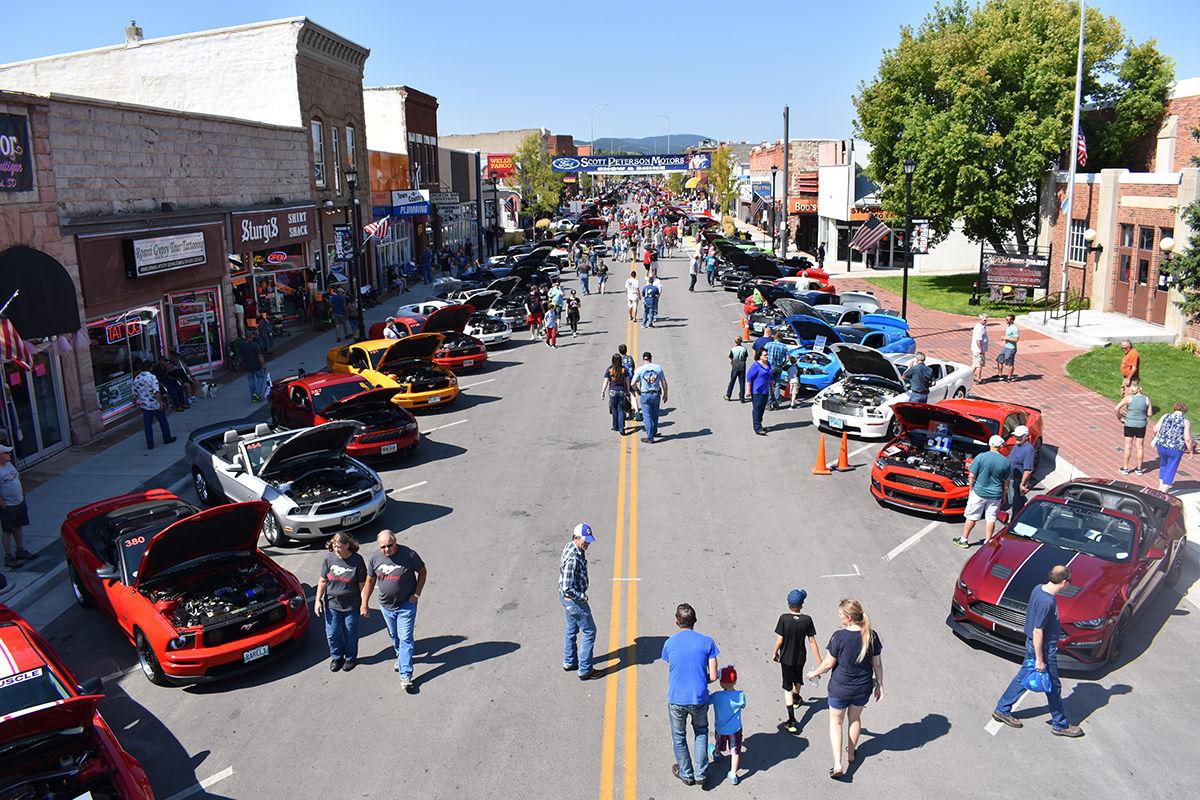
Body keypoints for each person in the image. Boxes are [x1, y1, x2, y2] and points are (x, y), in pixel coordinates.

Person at [991, 566, 1083, 737]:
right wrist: (1040, 659)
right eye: (1070, 581)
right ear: (1064, 582)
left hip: (1035, 646)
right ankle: (1060, 724)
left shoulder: (1039, 588)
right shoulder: (1047, 602)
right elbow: (1038, 631)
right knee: (1053, 686)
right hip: (1043, 649)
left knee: (1024, 678)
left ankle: (1002, 709)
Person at [806, 599, 883, 780]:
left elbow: (828, 664)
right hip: (862, 688)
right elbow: (877, 664)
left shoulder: (839, 637)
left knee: (836, 722)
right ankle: (851, 753)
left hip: (840, 688)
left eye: (840, 614)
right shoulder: (871, 635)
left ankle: (837, 764)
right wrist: (880, 685)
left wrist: (813, 673)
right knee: (855, 719)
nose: (838, 617)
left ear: (848, 618)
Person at [662, 603, 720, 787]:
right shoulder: (708, 642)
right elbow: (713, 676)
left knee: (679, 736)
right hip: (699, 698)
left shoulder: (669, 643)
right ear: (695, 621)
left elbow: (672, 669)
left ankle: (686, 773)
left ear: (676, 622)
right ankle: (701, 773)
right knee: (701, 731)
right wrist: (702, 679)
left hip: (677, 698)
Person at [362, 530, 426, 689]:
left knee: (406, 638)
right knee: (394, 634)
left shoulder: (409, 555)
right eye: (383, 547)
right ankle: (401, 656)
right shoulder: (375, 558)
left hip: (406, 605)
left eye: (389, 545)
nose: (386, 549)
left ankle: (405, 675)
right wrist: (364, 603)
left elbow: (423, 571)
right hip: (386, 606)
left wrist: (416, 594)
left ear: (395, 541)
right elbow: (369, 582)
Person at [314, 532, 368, 673]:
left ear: (347, 545)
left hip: (351, 605)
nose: (336, 549)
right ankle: (337, 657)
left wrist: (364, 604)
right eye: (334, 546)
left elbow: (362, 584)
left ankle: (350, 658)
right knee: (332, 633)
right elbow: (323, 580)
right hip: (332, 604)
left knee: (350, 633)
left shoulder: (357, 560)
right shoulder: (329, 559)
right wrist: (318, 600)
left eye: (339, 547)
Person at [773, 588, 821, 734]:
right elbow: (812, 641)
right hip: (800, 657)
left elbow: (780, 639)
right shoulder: (807, 620)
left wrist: (774, 652)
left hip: (786, 658)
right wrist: (820, 661)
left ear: (788, 604)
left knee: (787, 686)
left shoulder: (783, 618)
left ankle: (791, 720)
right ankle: (796, 698)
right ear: (802, 605)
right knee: (798, 679)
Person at [560, 523, 601, 680]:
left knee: (571, 629)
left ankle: (569, 661)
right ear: (576, 537)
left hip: (567, 600)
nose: (588, 543)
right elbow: (567, 587)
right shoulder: (573, 558)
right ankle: (585, 670)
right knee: (590, 631)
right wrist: (582, 597)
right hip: (574, 600)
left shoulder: (573, 547)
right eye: (585, 540)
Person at [954, 435, 1010, 548]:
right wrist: (1004, 495)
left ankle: (964, 540)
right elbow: (1006, 482)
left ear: (990, 444)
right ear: (1001, 446)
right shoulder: (1005, 461)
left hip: (979, 493)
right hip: (995, 495)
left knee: (972, 517)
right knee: (991, 518)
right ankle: (988, 542)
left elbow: (971, 476)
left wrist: (971, 489)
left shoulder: (981, 457)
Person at [709, 666, 746, 786]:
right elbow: (743, 705)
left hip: (721, 728)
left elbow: (707, 700)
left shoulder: (717, 696)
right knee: (735, 751)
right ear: (735, 681)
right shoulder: (740, 695)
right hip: (735, 729)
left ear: (721, 683)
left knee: (719, 743)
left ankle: (716, 754)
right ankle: (733, 774)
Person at [0, 445, 32, 569]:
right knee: (8, 530)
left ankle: (20, 550)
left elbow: (16, 479)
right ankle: (9, 556)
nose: (9, 454)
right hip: (8, 506)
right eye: (6, 453)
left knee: (19, 526)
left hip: (19, 501)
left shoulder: (9, 465)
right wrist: (1, 502)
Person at [131, 362, 174, 450]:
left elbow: (135, 393)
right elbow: (156, 392)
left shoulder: (137, 378)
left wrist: (137, 401)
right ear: (150, 368)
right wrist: (160, 402)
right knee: (163, 422)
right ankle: (167, 438)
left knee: (148, 426)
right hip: (155, 404)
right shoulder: (152, 377)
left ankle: (150, 444)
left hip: (145, 405)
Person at [1151, 402, 1192, 492]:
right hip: (1176, 448)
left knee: (1163, 464)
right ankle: (1164, 489)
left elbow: (1155, 429)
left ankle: (1160, 486)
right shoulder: (1185, 421)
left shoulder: (1165, 416)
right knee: (1172, 467)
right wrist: (1190, 451)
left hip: (1161, 445)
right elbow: (1187, 438)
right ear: (1185, 411)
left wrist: (1158, 437)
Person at [632, 352, 668, 444]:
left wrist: (637, 390)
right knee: (655, 414)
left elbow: (632, 383)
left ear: (643, 359)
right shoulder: (658, 368)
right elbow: (663, 382)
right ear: (651, 359)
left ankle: (650, 437)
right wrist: (665, 394)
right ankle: (654, 431)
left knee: (647, 416)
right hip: (656, 394)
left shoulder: (640, 369)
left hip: (645, 395)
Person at [1116, 383, 1152, 475]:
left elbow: (1116, 408)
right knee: (1140, 447)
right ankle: (1139, 469)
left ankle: (1125, 468)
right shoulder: (1147, 399)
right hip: (1141, 425)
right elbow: (1149, 414)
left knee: (1128, 446)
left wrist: (1120, 417)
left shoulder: (1128, 398)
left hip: (1129, 424)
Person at [1007, 425, 1036, 517]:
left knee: (1017, 505)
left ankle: (1015, 521)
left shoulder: (1029, 449)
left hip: (1018, 481)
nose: (1017, 438)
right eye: (1016, 436)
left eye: (1019, 436)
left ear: (1026, 437)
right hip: (1012, 478)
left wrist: (1022, 484)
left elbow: (1028, 470)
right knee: (1012, 500)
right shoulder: (1017, 445)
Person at [602, 355, 631, 434]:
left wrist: (603, 392)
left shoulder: (610, 369)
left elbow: (606, 381)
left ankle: (615, 426)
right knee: (621, 409)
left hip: (612, 391)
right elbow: (627, 382)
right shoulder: (624, 369)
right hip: (621, 391)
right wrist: (628, 391)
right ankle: (621, 428)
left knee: (614, 409)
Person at [747, 349, 773, 436]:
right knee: (757, 409)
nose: (767, 356)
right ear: (760, 356)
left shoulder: (768, 364)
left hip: (765, 390)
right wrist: (748, 390)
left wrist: (772, 387)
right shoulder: (755, 366)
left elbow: (770, 376)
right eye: (765, 355)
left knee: (762, 409)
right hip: (757, 391)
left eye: (767, 355)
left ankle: (760, 425)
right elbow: (749, 378)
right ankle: (757, 428)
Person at [764, 331, 790, 410]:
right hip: (778, 367)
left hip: (769, 366)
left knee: (769, 385)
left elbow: (763, 354)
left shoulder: (768, 344)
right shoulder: (784, 347)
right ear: (781, 338)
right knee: (777, 385)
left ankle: (769, 403)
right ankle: (776, 403)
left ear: (774, 337)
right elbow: (787, 359)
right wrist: (783, 364)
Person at [240, 329, 268, 403]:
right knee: (260, 377)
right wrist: (263, 365)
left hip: (247, 366)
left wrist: (243, 364)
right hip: (256, 365)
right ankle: (257, 393)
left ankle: (253, 397)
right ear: (251, 336)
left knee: (251, 381)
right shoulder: (255, 345)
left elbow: (241, 357)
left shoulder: (242, 345)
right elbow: (259, 356)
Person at [725, 337, 748, 403]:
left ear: (735, 342)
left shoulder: (733, 349)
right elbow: (745, 357)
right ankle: (742, 398)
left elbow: (731, 358)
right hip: (742, 365)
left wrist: (732, 364)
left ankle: (728, 395)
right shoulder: (744, 349)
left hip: (735, 365)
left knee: (732, 381)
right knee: (742, 382)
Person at [996, 314, 1019, 381]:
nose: (1006, 320)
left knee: (1009, 363)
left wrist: (1006, 338)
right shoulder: (1008, 326)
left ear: (1012, 320)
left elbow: (1016, 340)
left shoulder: (1014, 328)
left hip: (1011, 348)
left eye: (1007, 320)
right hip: (1006, 347)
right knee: (999, 360)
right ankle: (1000, 375)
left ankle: (1009, 378)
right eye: (1005, 319)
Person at [970, 313, 989, 383]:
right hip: (978, 349)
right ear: (980, 320)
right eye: (984, 320)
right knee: (979, 365)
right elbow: (978, 340)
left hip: (979, 349)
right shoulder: (979, 328)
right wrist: (980, 349)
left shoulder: (982, 326)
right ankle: (979, 379)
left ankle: (968, 377)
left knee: (975, 364)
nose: (986, 321)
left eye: (986, 320)